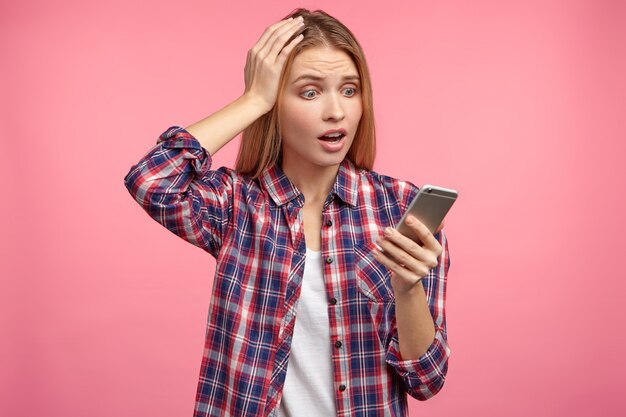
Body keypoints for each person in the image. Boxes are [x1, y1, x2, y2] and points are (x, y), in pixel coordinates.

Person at [124, 8, 451, 417]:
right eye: (310, 92)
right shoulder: (237, 205)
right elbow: (152, 179)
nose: (336, 111)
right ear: (275, 105)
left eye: (349, 90)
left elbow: (427, 379)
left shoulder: (401, 209)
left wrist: (407, 290)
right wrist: (254, 99)